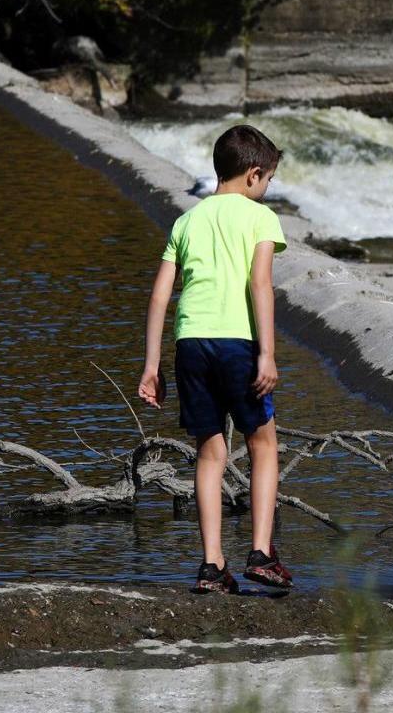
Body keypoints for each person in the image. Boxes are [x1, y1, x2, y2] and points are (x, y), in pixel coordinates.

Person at [138, 124, 293, 593]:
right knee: (263, 443)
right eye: (267, 182)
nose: (265, 190)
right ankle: (261, 554)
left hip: (190, 345)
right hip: (237, 342)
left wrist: (151, 365)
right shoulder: (260, 218)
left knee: (210, 451)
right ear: (253, 175)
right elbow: (260, 285)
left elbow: (160, 296)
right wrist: (267, 353)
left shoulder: (186, 221)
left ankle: (211, 566)